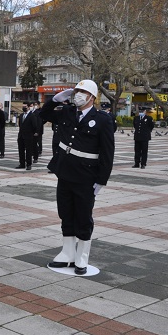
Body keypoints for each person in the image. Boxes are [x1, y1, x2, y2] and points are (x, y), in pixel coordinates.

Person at [40, 79, 115, 275]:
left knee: (83, 216)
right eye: (77, 91)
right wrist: (55, 100)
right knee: (65, 213)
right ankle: (67, 253)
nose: (78, 95)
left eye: (83, 92)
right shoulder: (67, 112)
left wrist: (101, 180)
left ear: (92, 97)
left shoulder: (103, 119)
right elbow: (43, 114)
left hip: (86, 175)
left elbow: (107, 152)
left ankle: (81, 256)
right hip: (65, 172)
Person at [16, 102, 40, 170]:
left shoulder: (32, 116)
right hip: (21, 136)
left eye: (25, 106)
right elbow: (20, 125)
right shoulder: (21, 115)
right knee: (21, 150)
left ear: (29, 107)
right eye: (23, 106)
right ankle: (22, 163)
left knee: (28, 151)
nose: (24, 107)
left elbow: (34, 126)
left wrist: (33, 133)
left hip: (29, 136)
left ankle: (29, 164)